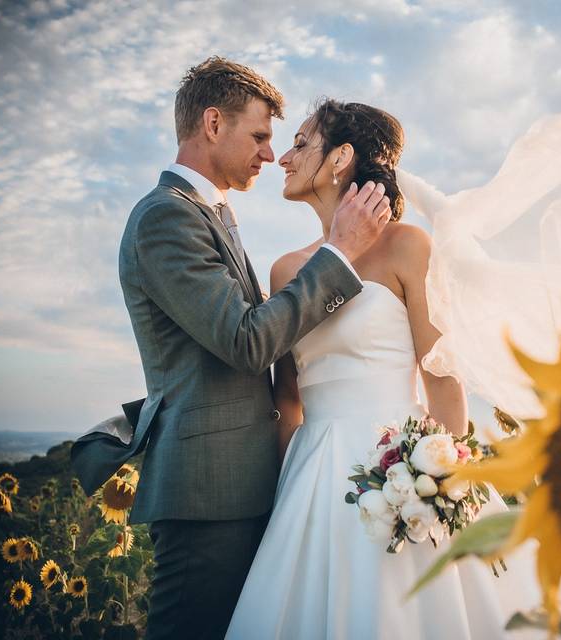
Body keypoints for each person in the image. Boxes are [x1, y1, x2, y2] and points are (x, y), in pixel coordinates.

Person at [70, 57, 392, 640]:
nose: (271, 156)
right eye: (261, 136)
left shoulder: (211, 214)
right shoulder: (165, 218)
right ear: (213, 124)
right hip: (206, 492)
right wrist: (340, 254)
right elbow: (245, 342)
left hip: (250, 481)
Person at [225, 100, 542, 639]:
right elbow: (289, 402)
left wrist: (439, 483)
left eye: (301, 143)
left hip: (405, 464)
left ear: (340, 157)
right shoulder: (287, 270)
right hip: (312, 479)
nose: (283, 156)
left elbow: (443, 381)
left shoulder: (408, 246)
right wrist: (280, 498)